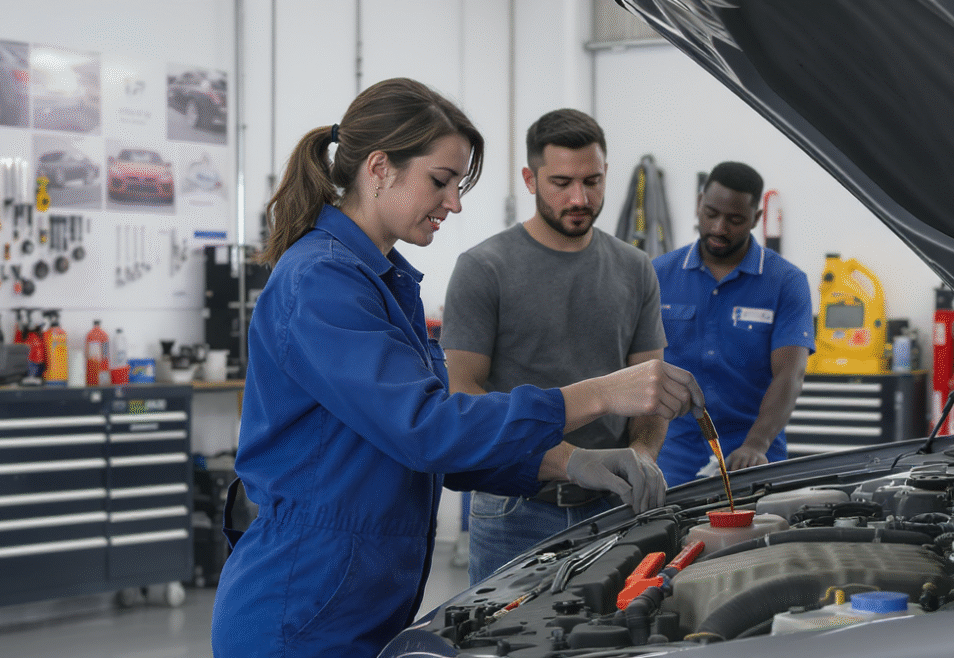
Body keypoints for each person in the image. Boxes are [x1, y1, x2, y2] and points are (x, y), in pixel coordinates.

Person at [209, 79, 700, 658]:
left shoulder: (382, 279)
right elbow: (426, 429)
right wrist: (600, 395)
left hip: (351, 599)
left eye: (458, 185)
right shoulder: (321, 281)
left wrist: (571, 463)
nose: (455, 203)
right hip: (299, 607)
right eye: (441, 181)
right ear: (379, 168)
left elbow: (433, 440)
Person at [442, 109, 669, 582]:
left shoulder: (635, 269)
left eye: (593, 181)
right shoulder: (483, 268)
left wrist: (643, 456)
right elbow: (462, 394)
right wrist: (568, 462)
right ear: (530, 179)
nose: (579, 198)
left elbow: (651, 391)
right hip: (514, 511)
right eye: (561, 183)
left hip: (613, 507)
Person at [652, 162, 815, 486]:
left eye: (735, 220)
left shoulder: (786, 282)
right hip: (671, 456)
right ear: (699, 204)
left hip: (752, 457)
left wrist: (756, 445)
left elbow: (790, 374)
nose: (719, 228)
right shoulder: (657, 275)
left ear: (755, 218)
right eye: (711, 213)